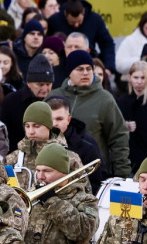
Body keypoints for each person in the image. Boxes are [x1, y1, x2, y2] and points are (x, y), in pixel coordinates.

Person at [56, 49, 131, 178]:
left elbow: (119, 137)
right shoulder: (54, 97)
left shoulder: (105, 99)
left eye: (89, 69)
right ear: (69, 72)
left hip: (93, 172)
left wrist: (121, 173)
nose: (85, 73)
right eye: (80, 69)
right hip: (55, 170)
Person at [48, 0, 116, 73]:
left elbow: (107, 44)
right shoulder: (54, 21)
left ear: (83, 12)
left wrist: (108, 67)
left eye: (79, 21)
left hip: (89, 62)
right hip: (62, 65)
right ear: (65, 14)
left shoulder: (95, 19)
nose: (76, 25)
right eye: (72, 22)